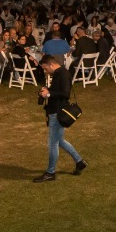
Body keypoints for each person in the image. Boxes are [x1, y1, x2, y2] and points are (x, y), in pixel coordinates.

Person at [34, 53, 86, 182]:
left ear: (51, 64)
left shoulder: (62, 74)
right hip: (55, 111)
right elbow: (59, 90)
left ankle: (51, 172)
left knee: (53, 143)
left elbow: (65, 93)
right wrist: (48, 89)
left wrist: (49, 94)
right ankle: (79, 162)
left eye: (46, 68)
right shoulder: (59, 73)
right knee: (60, 140)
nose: (46, 72)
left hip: (57, 112)